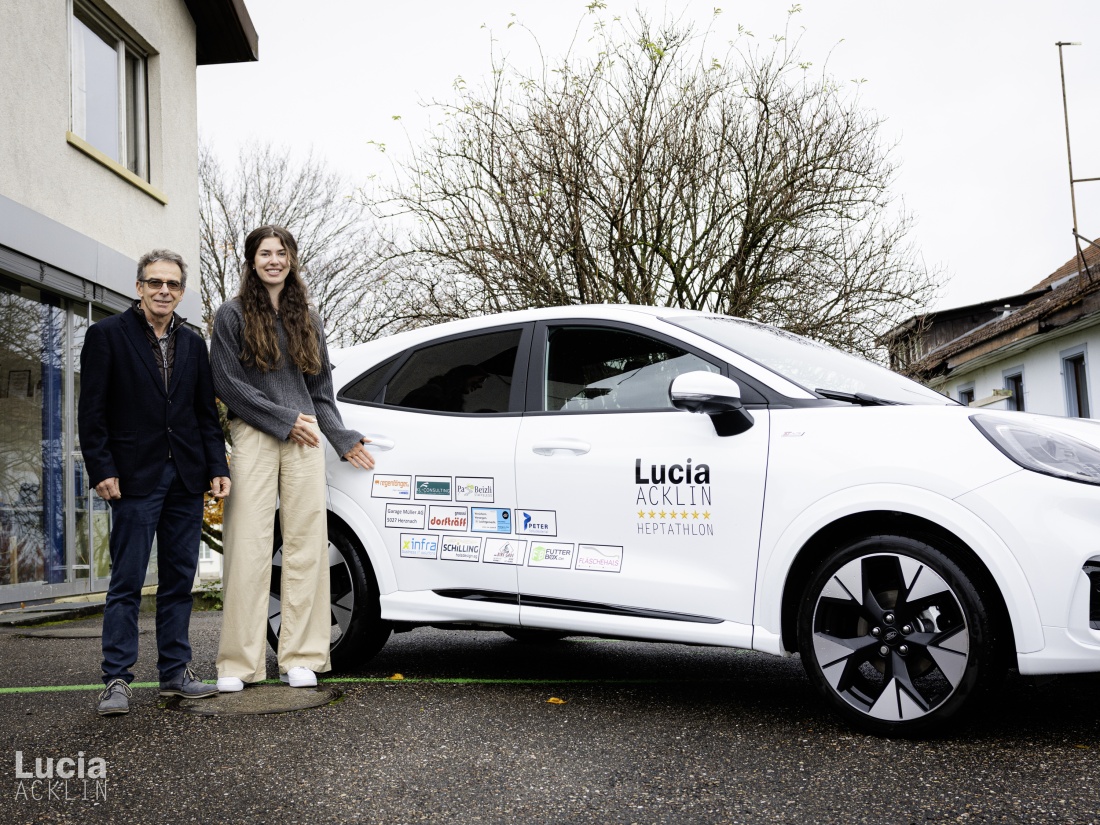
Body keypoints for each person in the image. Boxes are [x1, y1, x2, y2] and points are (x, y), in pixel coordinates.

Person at [210, 225, 374, 691]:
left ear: (292, 260)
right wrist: (283, 419)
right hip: (255, 433)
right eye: (265, 253)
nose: (274, 260)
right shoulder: (232, 314)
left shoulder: (309, 318)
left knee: (306, 544)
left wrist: (341, 437)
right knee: (248, 544)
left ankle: (302, 656)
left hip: (305, 436)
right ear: (252, 261)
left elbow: (320, 390)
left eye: (281, 253)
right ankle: (238, 664)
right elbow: (226, 383)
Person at [78, 250, 231, 716]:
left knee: (179, 581)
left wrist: (218, 466)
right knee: (126, 581)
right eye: (155, 282)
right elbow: (92, 412)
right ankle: (116, 679)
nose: (164, 290)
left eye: (173, 284)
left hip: (185, 476)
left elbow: (205, 414)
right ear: (139, 287)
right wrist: (101, 469)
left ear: (181, 292)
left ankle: (175, 672)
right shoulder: (106, 335)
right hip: (132, 478)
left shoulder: (193, 343)